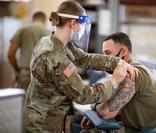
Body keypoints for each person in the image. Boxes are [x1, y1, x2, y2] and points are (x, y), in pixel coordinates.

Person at [24, 1, 137, 133]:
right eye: (81, 25)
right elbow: (82, 95)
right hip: (42, 125)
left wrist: (117, 62)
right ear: (73, 23)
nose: (81, 29)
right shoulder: (55, 57)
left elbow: (84, 58)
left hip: (46, 119)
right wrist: (113, 82)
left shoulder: (55, 42)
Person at [81, 32, 156, 132]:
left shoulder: (131, 74)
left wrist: (95, 106)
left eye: (107, 53)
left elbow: (106, 112)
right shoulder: (125, 71)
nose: (104, 59)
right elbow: (115, 107)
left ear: (123, 51)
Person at [8, 11, 48, 90]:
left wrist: (17, 69)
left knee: (23, 101)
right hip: (44, 76)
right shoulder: (49, 33)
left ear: (33, 19)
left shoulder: (23, 29)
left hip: (25, 74)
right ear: (44, 20)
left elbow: (10, 54)